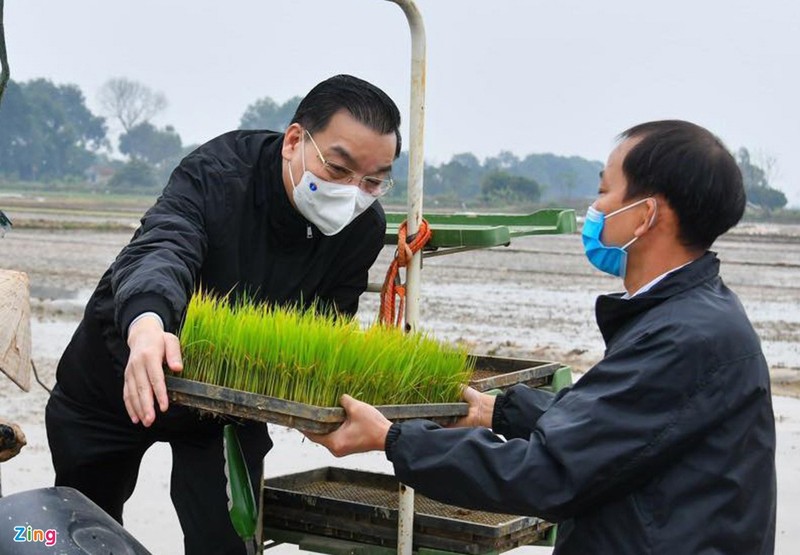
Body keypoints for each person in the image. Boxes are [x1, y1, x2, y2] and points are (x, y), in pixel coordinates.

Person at [307, 120, 777, 554]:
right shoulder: (689, 316)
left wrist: (393, 439)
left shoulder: (685, 337)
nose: (595, 209)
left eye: (604, 191)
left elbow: (548, 473)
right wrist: (501, 410)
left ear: (645, 215)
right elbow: (617, 427)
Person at [45, 74, 401, 555]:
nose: (353, 192)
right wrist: (147, 326)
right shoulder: (218, 174)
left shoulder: (361, 227)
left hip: (227, 411)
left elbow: (324, 324)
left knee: (229, 543)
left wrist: (312, 406)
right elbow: (164, 247)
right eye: (339, 169)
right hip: (118, 377)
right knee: (69, 535)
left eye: (374, 180)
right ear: (295, 141)